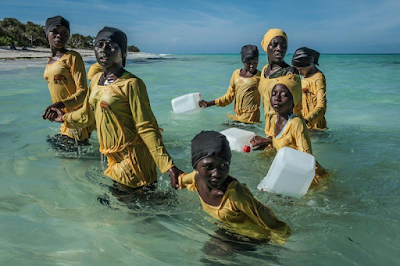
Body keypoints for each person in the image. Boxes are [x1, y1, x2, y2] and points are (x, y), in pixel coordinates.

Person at [42, 26, 182, 189]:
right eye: (99, 45)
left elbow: (147, 127)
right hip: (113, 158)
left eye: (111, 45)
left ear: (123, 53)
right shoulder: (95, 81)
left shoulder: (132, 84)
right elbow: (86, 116)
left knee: (131, 208)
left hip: (134, 160)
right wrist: (63, 118)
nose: (104, 50)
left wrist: (168, 167)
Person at [178, 131, 290, 245]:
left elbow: (269, 221)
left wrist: (279, 244)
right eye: (209, 166)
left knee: (211, 255)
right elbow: (179, 181)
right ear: (195, 166)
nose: (216, 173)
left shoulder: (235, 195)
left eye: (223, 165)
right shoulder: (196, 178)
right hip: (228, 228)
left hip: (252, 235)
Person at [250, 74, 326, 185]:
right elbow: (286, 144)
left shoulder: (296, 123)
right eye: (274, 94)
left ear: (293, 101)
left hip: (314, 178)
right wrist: (267, 142)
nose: (277, 98)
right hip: (291, 171)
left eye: (284, 95)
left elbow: (306, 159)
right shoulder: (275, 121)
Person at [42, 15, 94, 147]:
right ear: (47, 33)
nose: (60, 35)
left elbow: (83, 92)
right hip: (63, 117)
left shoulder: (72, 57)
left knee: (71, 156)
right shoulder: (49, 62)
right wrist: (57, 109)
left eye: (65, 32)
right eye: (55, 31)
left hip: (77, 116)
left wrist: (58, 105)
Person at [199, 45, 261, 124]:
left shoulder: (260, 77)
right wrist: (209, 103)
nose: (252, 65)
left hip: (251, 119)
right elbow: (228, 97)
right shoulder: (236, 74)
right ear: (243, 60)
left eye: (255, 62)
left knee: (223, 128)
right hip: (239, 117)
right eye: (249, 62)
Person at [259, 29, 299, 136]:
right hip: (268, 129)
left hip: (283, 130)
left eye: (283, 46)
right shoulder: (264, 71)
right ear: (266, 47)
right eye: (275, 45)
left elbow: (296, 106)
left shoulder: (290, 73)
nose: (279, 49)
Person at [292, 47, 327, 130]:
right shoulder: (305, 76)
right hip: (303, 124)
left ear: (309, 64)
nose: (299, 73)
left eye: (300, 69)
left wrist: (307, 120)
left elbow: (321, 105)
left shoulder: (318, 78)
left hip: (315, 126)